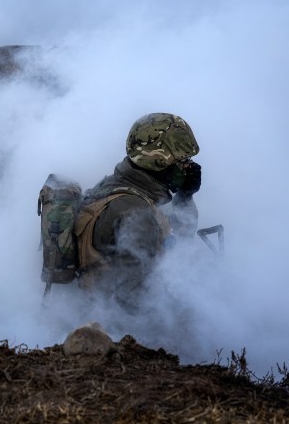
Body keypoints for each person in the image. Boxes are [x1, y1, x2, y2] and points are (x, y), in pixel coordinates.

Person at [74, 113, 202, 312]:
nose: (189, 168)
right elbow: (135, 303)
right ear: (160, 162)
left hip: (89, 306)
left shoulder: (112, 186)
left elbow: (175, 234)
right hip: (112, 328)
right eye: (183, 161)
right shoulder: (138, 215)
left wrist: (184, 198)